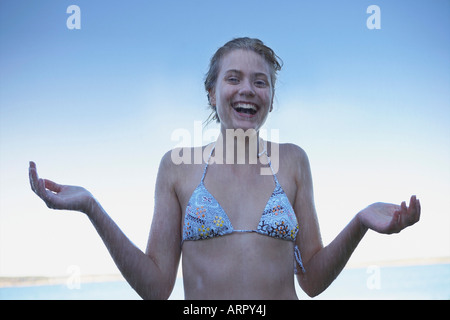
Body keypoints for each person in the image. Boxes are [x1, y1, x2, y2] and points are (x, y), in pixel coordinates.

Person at [28, 37, 421, 300]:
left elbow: (313, 280)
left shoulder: (294, 160)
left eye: (260, 82)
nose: (248, 89)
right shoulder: (177, 168)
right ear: (211, 92)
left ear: (270, 97)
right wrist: (91, 208)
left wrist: (360, 223)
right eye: (233, 78)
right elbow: (155, 287)